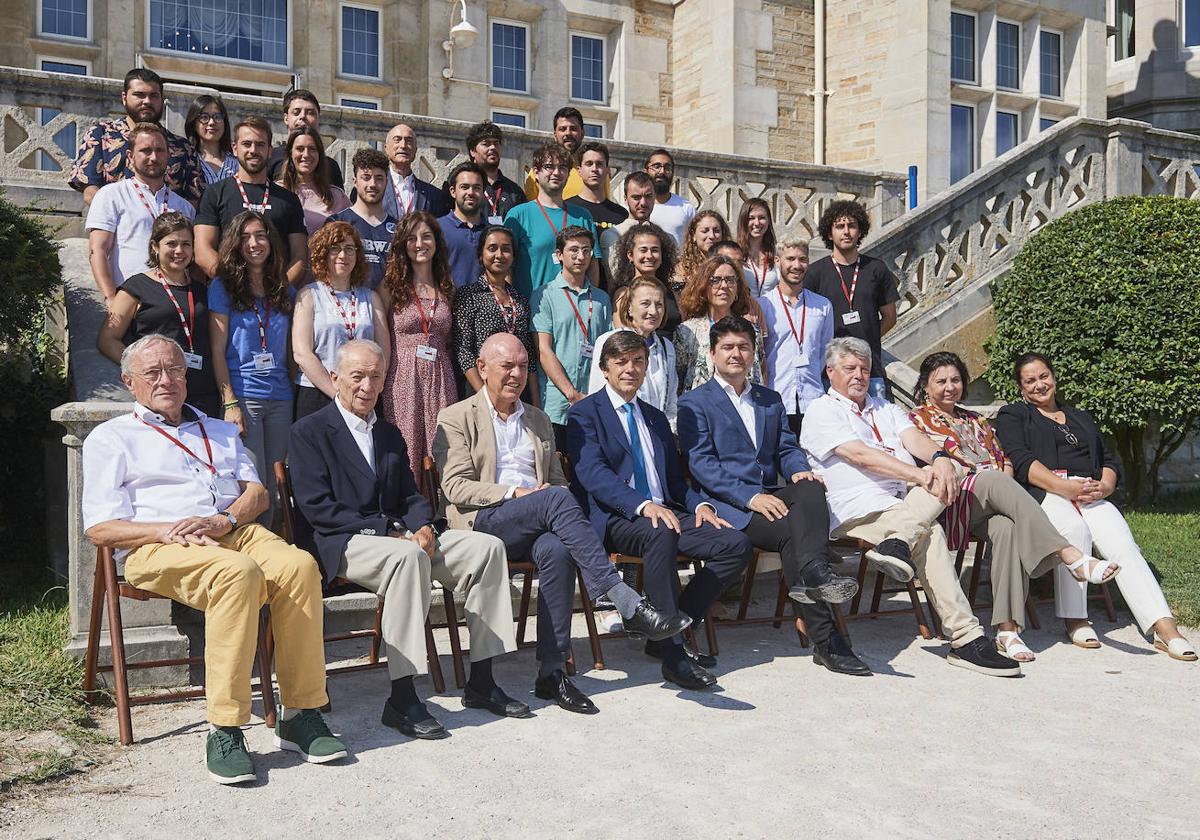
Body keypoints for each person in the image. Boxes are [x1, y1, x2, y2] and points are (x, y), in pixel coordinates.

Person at [83, 334, 345, 785]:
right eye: (153, 372)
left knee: (300, 566)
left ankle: (300, 712)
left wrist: (223, 520)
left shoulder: (219, 429)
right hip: (157, 544)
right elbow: (100, 529)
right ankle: (225, 727)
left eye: (176, 370)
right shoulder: (112, 438)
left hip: (232, 531)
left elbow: (258, 494)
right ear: (129, 382)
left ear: (187, 377)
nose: (167, 380)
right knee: (238, 574)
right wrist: (165, 529)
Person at [434, 333, 689, 712]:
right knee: (553, 498)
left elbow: (556, 481)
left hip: (535, 524)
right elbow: (455, 486)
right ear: (483, 369)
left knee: (556, 548)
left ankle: (551, 673)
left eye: (523, 366)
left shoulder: (537, 419)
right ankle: (622, 597)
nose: (517, 374)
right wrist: (515, 494)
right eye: (507, 366)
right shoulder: (456, 416)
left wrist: (541, 497)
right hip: (483, 522)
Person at [289, 340, 523, 738]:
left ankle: (482, 680)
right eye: (357, 376)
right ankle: (402, 698)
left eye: (376, 377)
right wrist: (392, 532)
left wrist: (423, 525)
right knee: (408, 560)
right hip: (343, 541)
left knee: (487, 548)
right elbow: (317, 509)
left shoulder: (389, 433)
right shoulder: (309, 432)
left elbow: (411, 496)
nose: (367, 386)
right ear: (334, 378)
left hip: (401, 541)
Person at [800, 337, 1020, 677]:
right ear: (830, 372)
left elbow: (914, 438)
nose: (859, 375)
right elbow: (860, 455)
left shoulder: (884, 407)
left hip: (902, 503)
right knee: (929, 532)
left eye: (864, 368)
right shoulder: (821, 410)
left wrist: (939, 457)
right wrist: (919, 474)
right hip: (857, 511)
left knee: (955, 468)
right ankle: (966, 638)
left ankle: (898, 541)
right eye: (849, 368)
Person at [677, 316, 866, 675]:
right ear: (713, 352)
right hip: (728, 506)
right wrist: (751, 498)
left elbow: (786, 446)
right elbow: (702, 466)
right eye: (729, 347)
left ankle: (814, 578)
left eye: (744, 347)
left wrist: (796, 467)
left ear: (754, 352)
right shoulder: (694, 403)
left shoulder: (769, 398)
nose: (737, 354)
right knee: (798, 535)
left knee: (810, 486)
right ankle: (828, 638)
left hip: (770, 499)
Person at [568, 330, 754, 690]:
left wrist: (700, 505)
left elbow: (674, 479)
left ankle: (670, 623)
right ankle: (673, 656)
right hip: (618, 517)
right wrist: (641, 505)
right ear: (605, 369)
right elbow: (592, 475)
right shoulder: (585, 414)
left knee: (735, 544)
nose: (630, 369)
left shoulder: (653, 417)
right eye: (621, 362)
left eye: (638, 361)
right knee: (661, 531)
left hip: (666, 512)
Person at [909, 352, 1121, 662]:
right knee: (994, 480)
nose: (949, 387)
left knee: (1006, 527)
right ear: (926, 387)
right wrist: (997, 480)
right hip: (952, 501)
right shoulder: (916, 419)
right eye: (940, 381)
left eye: (955, 380)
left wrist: (1003, 485)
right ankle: (1070, 555)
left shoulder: (975, 419)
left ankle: (1007, 631)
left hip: (991, 499)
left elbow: (1003, 459)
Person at [993, 353, 1195, 661]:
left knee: (1122, 544)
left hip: (1089, 490)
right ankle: (1076, 619)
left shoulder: (1080, 417)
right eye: (1030, 381)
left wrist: (1107, 485)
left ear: (1054, 377)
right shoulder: (1015, 415)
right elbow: (1021, 462)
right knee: (1072, 530)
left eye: (1043, 376)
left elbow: (1108, 460)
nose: (1039, 385)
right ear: (1021, 388)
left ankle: (1164, 628)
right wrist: (1064, 488)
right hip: (1045, 491)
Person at [208, 212, 296, 528]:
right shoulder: (223, 287)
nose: (254, 243)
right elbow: (217, 350)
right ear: (235, 244)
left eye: (260, 235)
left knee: (275, 487)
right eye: (245, 237)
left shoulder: (283, 288)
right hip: (244, 397)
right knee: (251, 486)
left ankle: (272, 559)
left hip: (281, 398)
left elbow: (289, 350)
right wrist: (230, 402)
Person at [97, 212, 219, 416]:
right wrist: (140, 371)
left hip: (203, 394)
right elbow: (107, 339)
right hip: (159, 394)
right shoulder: (135, 288)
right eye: (171, 244)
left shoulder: (202, 290)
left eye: (186, 244)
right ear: (155, 246)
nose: (179, 251)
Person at [379, 211, 457, 479]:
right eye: (412, 238)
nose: (420, 244)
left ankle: (440, 508)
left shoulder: (446, 286)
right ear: (403, 245)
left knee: (441, 443)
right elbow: (382, 335)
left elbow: (448, 338)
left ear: (436, 242)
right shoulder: (391, 287)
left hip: (440, 375)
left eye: (426, 236)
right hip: (403, 375)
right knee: (406, 443)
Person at [85, 122, 196, 303]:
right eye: (146, 150)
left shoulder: (184, 207)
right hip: (129, 299)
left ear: (168, 155)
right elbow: (97, 250)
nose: (153, 157)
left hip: (173, 301)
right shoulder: (111, 195)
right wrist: (111, 298)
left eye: (160, 150)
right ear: (130, 155)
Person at [194, 118, 308, 285]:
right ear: (234, 148)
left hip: (275, 299)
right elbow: (203, 250)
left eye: (260, 145)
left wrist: (279, 290)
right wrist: (235, 285)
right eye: (247, 144)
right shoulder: (214, 193)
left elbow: (299, 257)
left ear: (270, 151)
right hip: (228, 293)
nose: (253, 150)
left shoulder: (289, 200)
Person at [804, 199, 899, 400]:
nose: (846, 231)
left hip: (869, 371)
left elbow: (890, 317)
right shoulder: (815, 273)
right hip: (830, 374)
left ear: (860, 231)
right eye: (840, 226)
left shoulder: (876, 268)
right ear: (830, 233)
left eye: (852, 225)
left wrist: (869, 336)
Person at [292, 222, 387, 419]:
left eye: (349, 249)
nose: (343, 255)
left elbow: (384, 351)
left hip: (363, 394)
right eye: (335, 248)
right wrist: (339, 395)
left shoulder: (371, 298)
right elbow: (302, 353)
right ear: (323, 254)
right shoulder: (309, 295)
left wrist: (369, 389)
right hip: (317, 393)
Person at [530, 226, 612, 451]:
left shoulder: (602, 299)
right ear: (559, 255)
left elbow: (607, 350)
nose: (581, 256)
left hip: (594, 401)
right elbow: (543, 351)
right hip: (557, 404)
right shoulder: (544, 295)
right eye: (573, 250)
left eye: (586, 250)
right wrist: (572, 393)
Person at [69, 68, 202, 204]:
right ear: (124, 97)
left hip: (168, 222)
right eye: (139, 95)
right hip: (115, 222)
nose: (147, 101)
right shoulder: (100, 135)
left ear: (162, 99)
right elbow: (90, 192)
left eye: (154, 95)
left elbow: (193, 201)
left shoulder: (183, 147)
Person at [452, 226, 538, 404]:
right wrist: (486, 396)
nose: (499, 255)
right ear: (480, 254)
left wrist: (535, 402)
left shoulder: (520, 300)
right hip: (481, 391)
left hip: (517, 391)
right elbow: (464, 351)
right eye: (492, 248)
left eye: (506, 249)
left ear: (514, 256)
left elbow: (528, 354)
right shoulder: (469, 295)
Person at [505, 141, 601, 298]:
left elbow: (592, 266)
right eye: (549, 167)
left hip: (574, 310)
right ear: (536, 172)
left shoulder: (583, 216)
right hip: (533, 312)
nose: (556, 172)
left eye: (562, 167)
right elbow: (506, 267)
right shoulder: (518, 216)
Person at [758, 239, 833, 435]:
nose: (796, 265)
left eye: (802, 259)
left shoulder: (823, 305)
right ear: (777, 261)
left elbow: (825, 350)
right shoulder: (763, 305)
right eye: (790, 259)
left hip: (813, 399)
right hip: (777, 397)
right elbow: (760, 353)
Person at [588, 278, 678, 429]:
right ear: (629, 308)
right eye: (645, 304)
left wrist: (669, 432)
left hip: (656, 436)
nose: (653, 311)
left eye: (659, 304)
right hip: (619, 433)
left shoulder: (667, 347)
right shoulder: (608, 341)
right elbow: (597, 397)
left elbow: (671, 402)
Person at [674, 256, 764, 392]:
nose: (724, 286)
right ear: (703, 287)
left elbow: (757, 376)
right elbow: (678, 380)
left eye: (730, 280)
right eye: (715, 280)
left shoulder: (752, 331)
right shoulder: (686, 332)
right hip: (700, 409)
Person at [323, 148, 396, 290]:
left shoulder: (398, 228)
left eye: (379, 178)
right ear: (355, 182)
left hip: (388, 308)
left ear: (387, 182)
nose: (373, 184)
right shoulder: (337, 222)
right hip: (347, 306)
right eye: (366, 177)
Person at [566, 141, 627, 286]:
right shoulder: (568, 209)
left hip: (615, 292)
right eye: (589, 164)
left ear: (607, 170)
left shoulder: (621, 214)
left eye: (600, 164)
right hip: (576, 290)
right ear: (579, 170)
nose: (594, 169)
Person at [276, 127, 350, 234]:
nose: (306, 155)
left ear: (320, 155)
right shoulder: (276, 191)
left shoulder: (337, 196)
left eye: (312, 149)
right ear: (291, 153)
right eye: (300, 149)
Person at [611, 222, 681, 336]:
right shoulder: (623, 294)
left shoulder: (671, 292)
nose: (649, 256)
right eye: (643, 250)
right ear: (630, 255)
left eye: (655, 250)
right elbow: (622, 335)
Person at [266, 89, 344, 187]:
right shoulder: (271, 157)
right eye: (296, 112)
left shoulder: (331, 166)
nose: (303, 116)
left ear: (318, 119)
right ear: (286, 118)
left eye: (310, 113)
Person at [523, 107, 601, 201]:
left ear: (582, 133)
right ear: (555, 135)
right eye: (562, 129)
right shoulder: (539, 173)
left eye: (573, 128)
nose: (568, 133)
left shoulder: (596, 172)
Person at [462, 120, 527, 222]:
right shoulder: (462, 187)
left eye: (496, 143)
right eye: (486, 144)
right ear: (473, 151)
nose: (492, 147)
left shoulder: (514, 191)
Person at [381, 123, 449, 219]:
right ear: (386, 149)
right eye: (397, 140)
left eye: (409, 141)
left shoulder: (434, 195)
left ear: (415, 150)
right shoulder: (374, 188)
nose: (403, 145)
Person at [437, 161, 488, 288]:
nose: (471, 192)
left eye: (477, 187)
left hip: (486, 306)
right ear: (453, 191)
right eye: (464, 187)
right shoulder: (436, 229)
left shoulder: (492, 233)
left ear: (483, 192)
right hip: (447, 304)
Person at [608, 172, 657, 283]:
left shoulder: (663, 235)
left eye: (648, 196)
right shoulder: (613, 234)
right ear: (625, 198)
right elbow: (616, 277)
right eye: (636, 197)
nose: (643, 203)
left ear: (655, 197)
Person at [645, 149, 696, 248]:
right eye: (657, 166)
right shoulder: (638, 207)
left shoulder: (686, 208)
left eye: (667, 167)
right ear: (646, 170)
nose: (662, 171)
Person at [184, 94, 239, 185]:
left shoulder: (237, 164)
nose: (212, 122)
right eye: (204, 117)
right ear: (194, 123)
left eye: (217, 117)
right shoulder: (187, 161)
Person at [674, 210, 732, 295]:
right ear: (693, 235)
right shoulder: (681, 268)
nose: (712, 236)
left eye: (716, 231)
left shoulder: (731, 263)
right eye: (705, 231)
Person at [738, 198, 780, 297]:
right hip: (744, 311)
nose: (757, 223)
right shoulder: (736, 253)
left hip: (771, 311)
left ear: (769, 221)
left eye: (762, 218)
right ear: (743, 221)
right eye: (751, 218)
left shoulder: (777, 252)